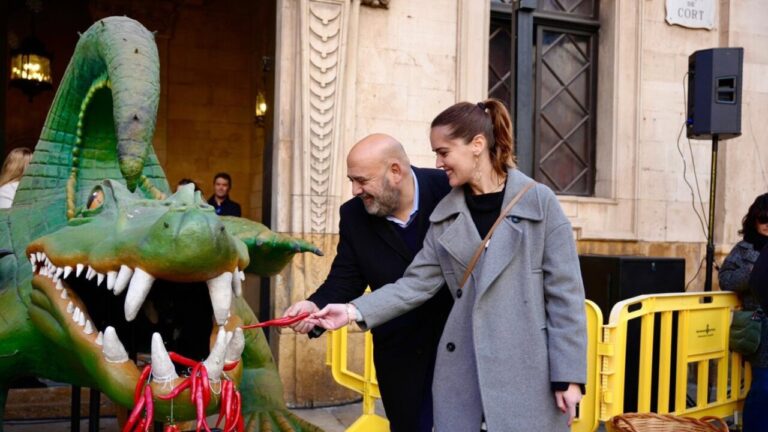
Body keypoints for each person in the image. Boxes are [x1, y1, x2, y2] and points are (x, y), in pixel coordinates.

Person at [307, 100, 586, 431]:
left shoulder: (540, 203)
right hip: (461, 368)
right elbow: (414, 284)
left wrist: (568, 376)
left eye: (444, 152)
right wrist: (352, 311)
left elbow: (565, 295)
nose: (437, 163)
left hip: (528, 369)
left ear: (477, 146)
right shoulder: (445, 213)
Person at [284, 133, 453, 432]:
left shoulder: (448, 189)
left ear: (396, 171)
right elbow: (345, 279)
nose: (355, 190)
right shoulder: (353, 215)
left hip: (456, 348)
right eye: (351, 180)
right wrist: (314, 306)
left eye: (362, 180)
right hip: (400, 357)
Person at [720, 192, 768, 431]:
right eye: (763, 219)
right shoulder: (744, 248)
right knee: (763, 386)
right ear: (754, 221)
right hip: (760, 328)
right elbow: (726, 279)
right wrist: (753, 274)